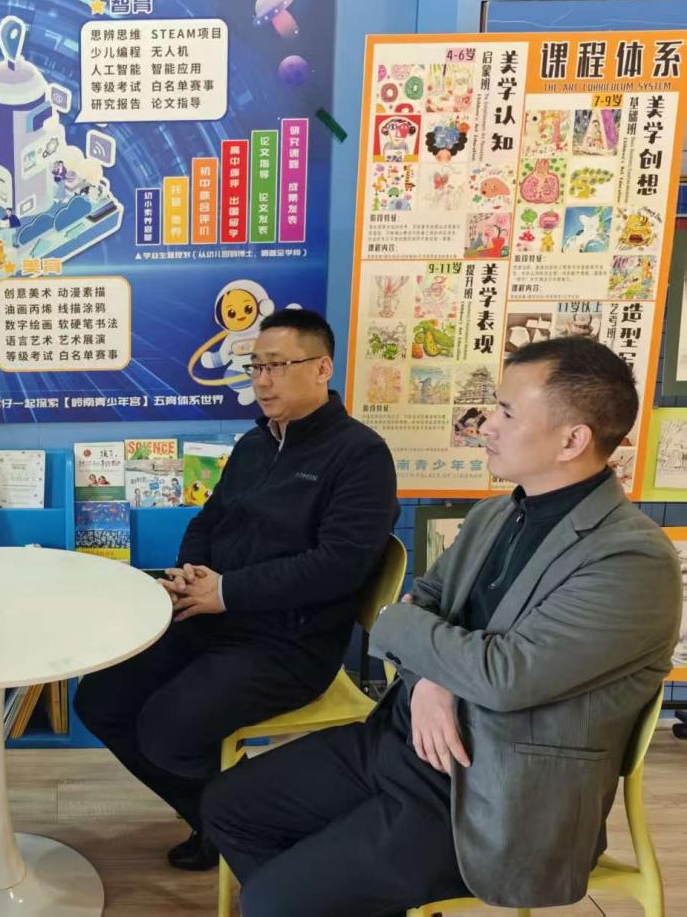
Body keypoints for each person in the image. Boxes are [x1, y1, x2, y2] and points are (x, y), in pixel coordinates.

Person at [202, 336, 682, 916]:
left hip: (490, 794)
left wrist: (411, 640)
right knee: (227, 806)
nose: (486, 425)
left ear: (572, 440)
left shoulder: (631, 561)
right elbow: (422, 603)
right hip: (400, 739)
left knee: (273, 901)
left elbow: (501, 676)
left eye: (507, 412)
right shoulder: (497, 513)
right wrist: (431, 679)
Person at [74, 308, 399, 870]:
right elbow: (209, 519)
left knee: (167, 731)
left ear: (322, 368)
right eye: (256, 368)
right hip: (215, 616)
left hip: (290, 643)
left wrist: (227, 591)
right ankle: (216, 820)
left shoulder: (361, 455)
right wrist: (191, 572)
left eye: (277, 366)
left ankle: (258, 824)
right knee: (100, 699)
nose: (263, 381)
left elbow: (338, 566)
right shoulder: (255, 444)